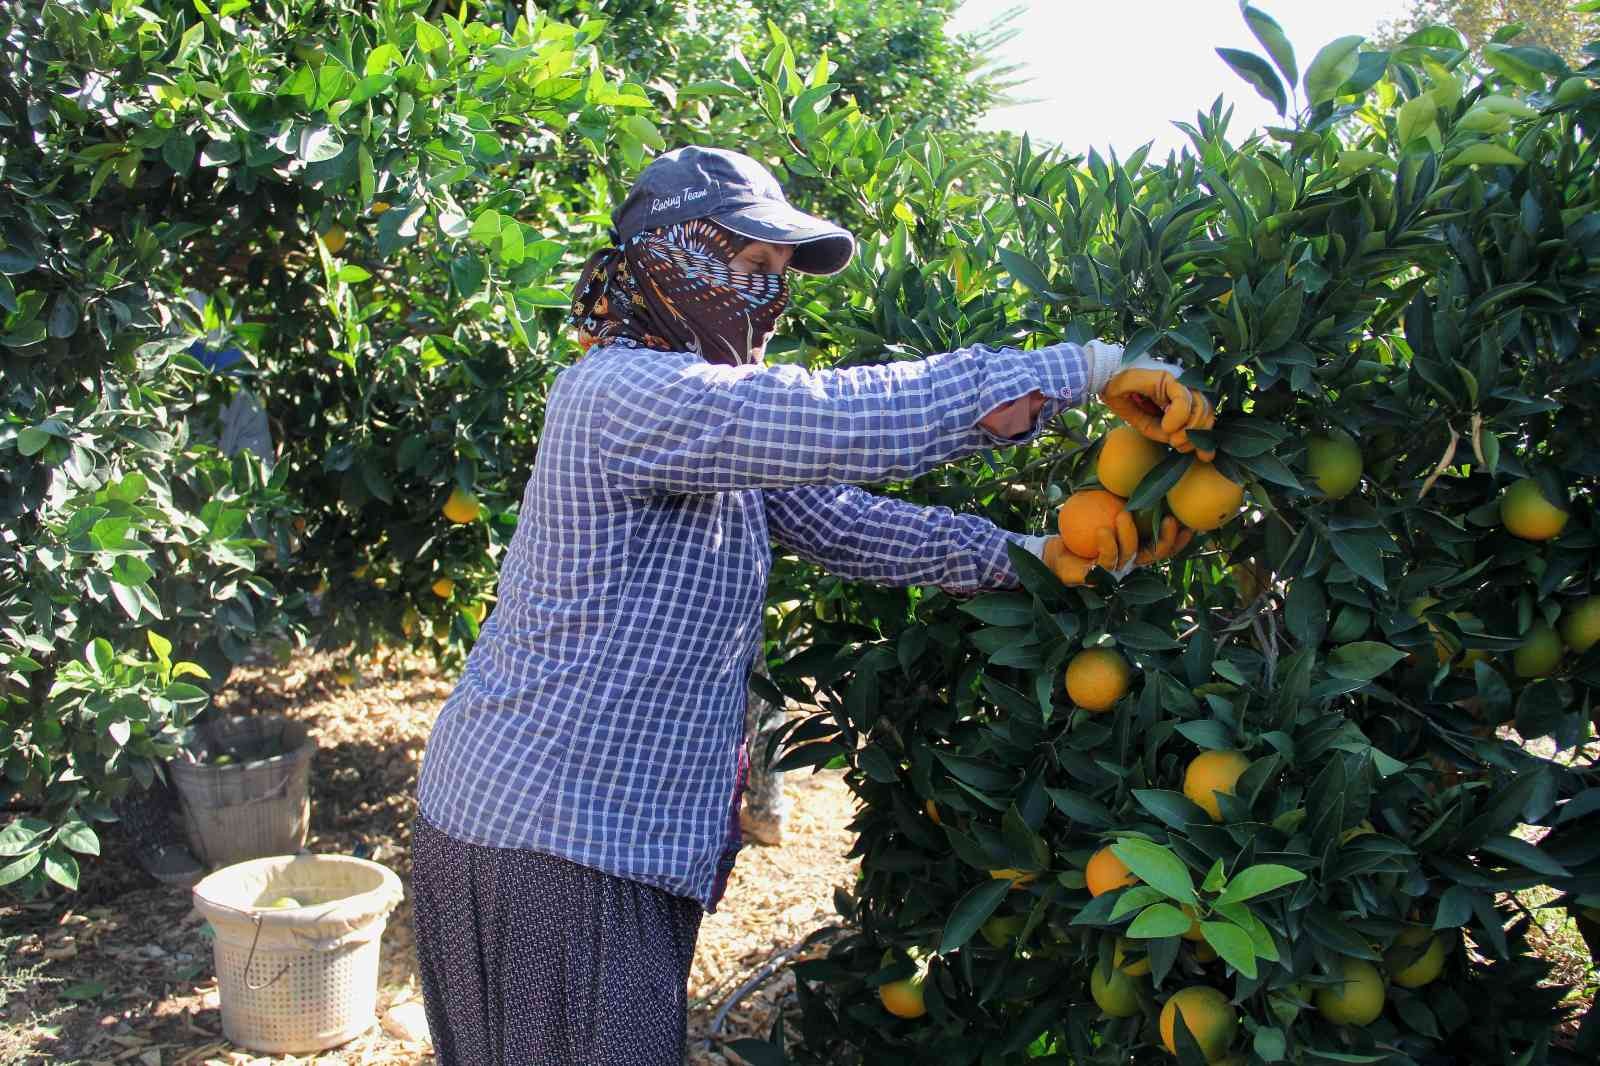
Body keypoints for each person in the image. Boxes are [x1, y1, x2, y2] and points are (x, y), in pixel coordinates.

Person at [408, 145, 1212, 1065]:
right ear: (669, 255)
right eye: (748, 262)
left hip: (591, 833)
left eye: (778, 273)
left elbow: (844, 522)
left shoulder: (703, 416)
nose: (765, 293)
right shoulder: (623, 393)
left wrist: (1032, 558)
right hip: (548, 833)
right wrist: (1087, 368)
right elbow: (836, 419)